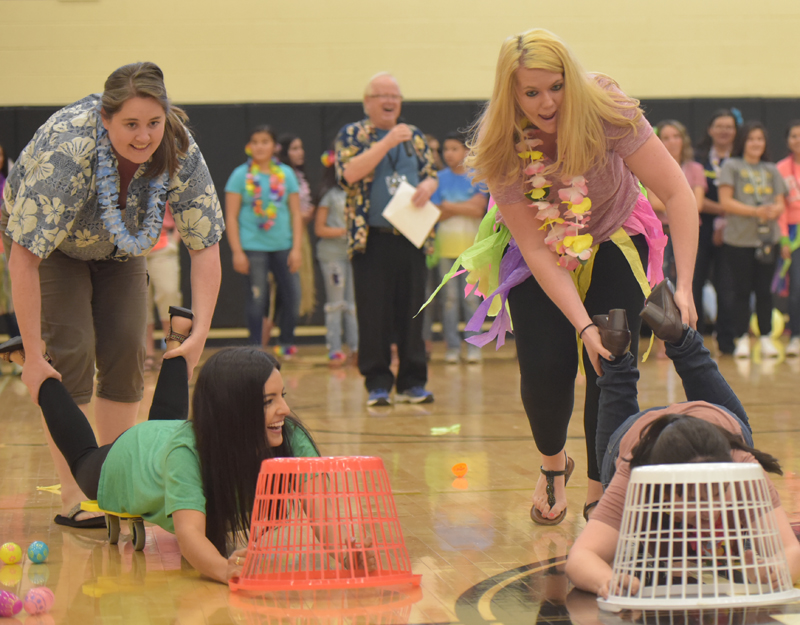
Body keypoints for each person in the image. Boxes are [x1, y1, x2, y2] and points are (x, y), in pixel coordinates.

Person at [445, 29, 698, 524]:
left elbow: (677, 192)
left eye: (556, 87)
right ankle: (553, 465)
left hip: (613, 236)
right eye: (532, 92)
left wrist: (683, 286)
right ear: (512, 94)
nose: (547, 103)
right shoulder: (503, 146)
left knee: (610, 365)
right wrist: (581, 326)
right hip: (539, 251)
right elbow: (537, 251)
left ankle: (600, 489)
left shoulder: (605, 108)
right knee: (545, 371)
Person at [1, 62, 224, 527]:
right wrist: (36, 354)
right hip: (53, 249)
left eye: (153, 123)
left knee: (126, 350)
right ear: (105, 119)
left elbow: (205, 246)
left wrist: (200, 332)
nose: (144, 137)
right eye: (130, 125)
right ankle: (76, 495)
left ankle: (117, 483)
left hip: (122, 247)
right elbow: (23, 259)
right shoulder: (68, 149)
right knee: (70, 352)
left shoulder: (177, 146)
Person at [0, 311, 341, 585]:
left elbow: (322, 515)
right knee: (83, 457)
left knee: (167, 418)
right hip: (131, 457)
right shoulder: (187, 453)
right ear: (233, 412)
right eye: (269, 401)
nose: (284, 410)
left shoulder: (288, 436)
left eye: (283, 396)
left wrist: (348, 553)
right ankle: (38, 365)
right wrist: (225, 571)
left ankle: (178, 337)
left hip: (169, 434)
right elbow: (188, 534)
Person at [565, 285, 800, 597]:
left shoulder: (743, 468)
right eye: (690, 499)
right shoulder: (635, 475)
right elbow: (581, 558)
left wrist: (774, 568)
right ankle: (647, 350)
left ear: (726, 473)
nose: (704, 510)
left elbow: (792, 551)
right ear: (662, 485)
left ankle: (621, 352)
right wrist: (607, 582)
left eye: (713, 494)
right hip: (637, 433)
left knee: (738, 428)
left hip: (714, 420)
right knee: (615, 441)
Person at [335, 72, 438, 406]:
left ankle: (412, 382)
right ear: (368, 103)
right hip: (371, 239)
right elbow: (348, 174)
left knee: (412, 311)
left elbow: (430, 174)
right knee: (373, 313)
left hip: (412, 236)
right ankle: (377, 383)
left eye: (395, 95)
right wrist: (387, 142)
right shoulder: (352, 134)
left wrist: (429, 186)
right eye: (382, 95)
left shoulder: (416, 136)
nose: (390, 101)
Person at [225, 125, 302, 352]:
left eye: (265, 141)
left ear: (274, 147)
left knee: (293, 298)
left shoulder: (286, 174)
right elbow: (230, 215)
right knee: (257, 300)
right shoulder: (240, 175)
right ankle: (256, 348)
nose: (260, 146)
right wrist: (237, 251)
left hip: (284, 245)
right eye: (255, 142)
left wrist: (296, 248)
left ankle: (287, 343)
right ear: (249, 147)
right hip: (252, 247)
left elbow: (296, 212)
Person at [717, 121, 786, 359]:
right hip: (739, 241)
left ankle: (765, 337)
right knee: (741, 291)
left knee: (765, 291)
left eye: (760, 139)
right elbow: (725, 201)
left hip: (768, 240)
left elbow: (780, 202)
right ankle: (742, 338)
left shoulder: (771, 169)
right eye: (751, 139)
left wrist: (773, 210)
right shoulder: (731, 166)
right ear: (743, 142)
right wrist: (755, 211)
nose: (756, 143)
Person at [430, 132, 488, 364]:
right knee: (449, 299)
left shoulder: (478, 178)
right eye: (446, 149)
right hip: (445, 250)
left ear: (466, 151)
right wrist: (462, 205)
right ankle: (452, 347)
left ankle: (474, 346)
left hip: (472, 251)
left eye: (454, 148)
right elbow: (435, 213)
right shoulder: (438, 178)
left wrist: (448, 205)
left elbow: (478, 210)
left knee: (472, 300)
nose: (448, 153)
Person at [695, 110, 738, 347]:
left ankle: (727, 341)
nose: (724, 131)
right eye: (719, 126)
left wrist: (730, 210)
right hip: (701, 227)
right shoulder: (699, 159)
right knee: (695, 283)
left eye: (729, 127)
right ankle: (696, 339)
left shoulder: (741, 159)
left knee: (727, 286)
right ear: (710, 130)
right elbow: (694, 198)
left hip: (733, 231)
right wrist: (724, 207)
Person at [315, 149, 358, 364]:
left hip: (354, 254)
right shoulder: (330, 195)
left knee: (353, 304)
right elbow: (320, 229)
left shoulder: (357, 192)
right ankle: (334, 349)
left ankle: (356, 348)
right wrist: (345, 231)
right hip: (332, 255)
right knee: (336, 303)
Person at [144, 203, 182, 372]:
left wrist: (174, 240)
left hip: (164, 246)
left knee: (169, 294)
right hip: (133, 247)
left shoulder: (166, 177)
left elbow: (184, 210)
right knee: (141, 301)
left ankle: (171, 350)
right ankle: (147, 353)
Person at [776, 120, 800, 356]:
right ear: (787, 141)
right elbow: (780, 207)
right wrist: (784, 238)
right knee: (797, 288)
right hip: (793, 236)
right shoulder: (781, 168)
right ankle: (796, 336)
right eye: (794, 136)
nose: (798, 140)